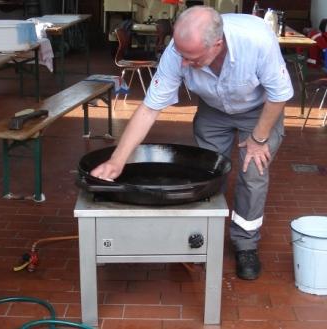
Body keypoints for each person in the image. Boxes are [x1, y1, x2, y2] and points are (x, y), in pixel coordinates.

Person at [91, 6, 293, 280]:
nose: (183, 64)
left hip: (259, 110)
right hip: (213, 109)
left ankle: (246, 244)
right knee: (206, 172)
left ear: (217, 45)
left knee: (253, 173)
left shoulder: (256, 40)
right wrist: (117, 160)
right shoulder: (179, 51)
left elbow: (279, 94)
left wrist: (258, 139)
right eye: (181, 55)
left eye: (192, 59)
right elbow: (150, 109)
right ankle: (200, 239)